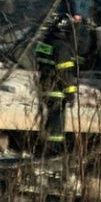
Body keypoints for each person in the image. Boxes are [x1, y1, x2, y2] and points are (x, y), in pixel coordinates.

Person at [33, 11, 80, 142]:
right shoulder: (62, 47)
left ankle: (45, 147)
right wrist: (70, 92)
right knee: (56, 123)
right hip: (57, 89)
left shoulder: (45, 43)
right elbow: (64, 73)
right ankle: (53, 150)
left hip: (44, 86)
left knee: (47, 120)